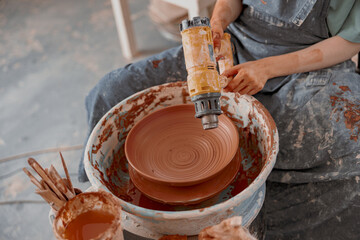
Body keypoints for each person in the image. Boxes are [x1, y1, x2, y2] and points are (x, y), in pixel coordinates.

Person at [79, 0, 360, 239]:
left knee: (347, 139)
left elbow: (349, 41)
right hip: (235, 46)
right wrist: (217, 23)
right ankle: (97, 205)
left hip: (309, 64)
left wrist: (266, 68)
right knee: (112, 90)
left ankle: (256, 225)